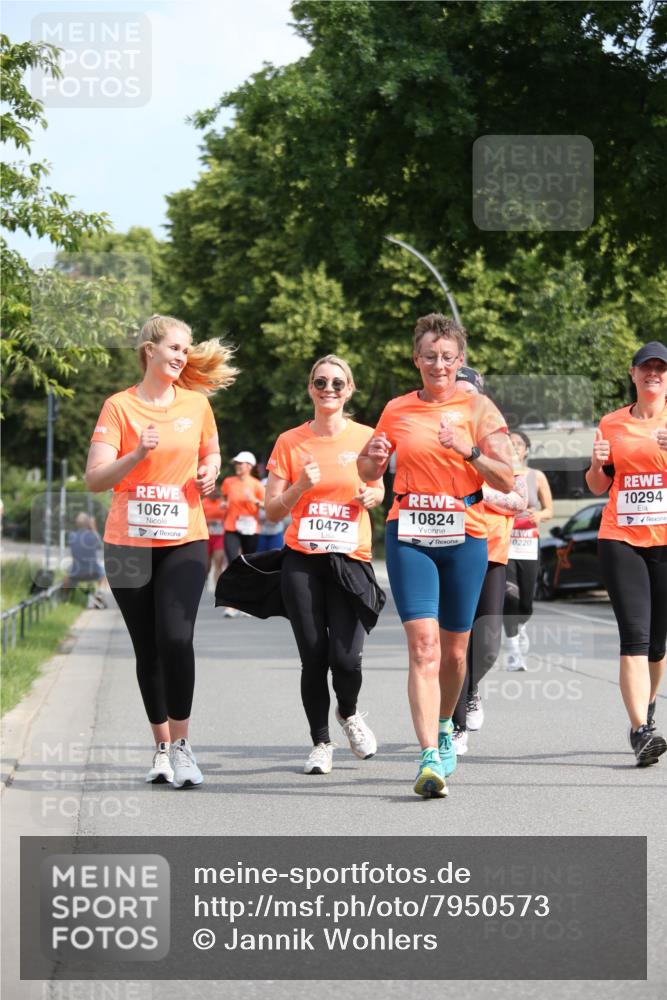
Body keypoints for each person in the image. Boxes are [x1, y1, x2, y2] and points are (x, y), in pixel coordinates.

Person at [358, 314, 513, 798]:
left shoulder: (479, 407)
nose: (438, 364)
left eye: (447, 357)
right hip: (409, 534)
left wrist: (468, 451)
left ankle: (447, 723)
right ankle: (429, 756)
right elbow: (367, 470)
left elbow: (507, 478)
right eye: (429, 356)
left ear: (459, 360)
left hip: (465, 535)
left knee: (456, 651)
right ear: (416, 359)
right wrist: (375, 458)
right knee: (423, 647)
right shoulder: (397, 409)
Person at [85, 314, 237, 788]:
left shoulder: (196, 404)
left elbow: (211, 452)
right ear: (150, 350)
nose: (181, 357)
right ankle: (161, 748)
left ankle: (184, 746)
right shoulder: (119, 407)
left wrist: (210, 470)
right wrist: (136, 455)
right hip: (127, 544)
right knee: (147, 647)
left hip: (184, 538)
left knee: (176, 638)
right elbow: (95, 479)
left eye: (186, 350)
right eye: (174, 348)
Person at [263, 355, 385, 775]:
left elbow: (378, 486)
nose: (328, 389)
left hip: (350, 559)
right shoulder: (290, 442)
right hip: (303, 560)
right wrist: (300, 486)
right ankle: (320, 743)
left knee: (347, 659)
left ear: (349, 389)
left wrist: (374, 497)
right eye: (320, 382)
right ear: (310, 388)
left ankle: (348, 713)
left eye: (337, 383)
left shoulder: (367, 436)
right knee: (313, 657)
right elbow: (273, 511)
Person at [585, 341, 667, 766]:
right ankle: (640, 731)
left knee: (657, 644)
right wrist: (597, 465)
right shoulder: (612, 423)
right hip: (621, 539)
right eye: (646, 367)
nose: (653, 373)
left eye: (660, 368)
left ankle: (647, 705)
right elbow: (598, 486)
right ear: (633, 374)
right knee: (634, 638)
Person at [450, 368, 527, 750]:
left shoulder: (498, 443)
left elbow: (519, 497)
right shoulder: (441, 438)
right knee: (456, 639)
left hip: (494, 552)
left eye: (469, 392)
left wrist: (480, 493)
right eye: (456, 391)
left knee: (489, 643)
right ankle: (455, 723)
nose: (462, 397)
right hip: (452, 547)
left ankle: (472, 687)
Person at [503, 430, 553, 671]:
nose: (513, 447)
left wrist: (539, 514)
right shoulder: (498, 475)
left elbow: (549, 510)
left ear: (526, 449)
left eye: (518, 444)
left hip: (529, 545)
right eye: (509, 444)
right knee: (509, 597)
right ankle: (513, 652)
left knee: (526, 604)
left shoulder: (537, 477)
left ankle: (520, 627)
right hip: (505, 545)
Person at [220, 451, 265, 617]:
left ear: (249, 466)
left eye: (241, 463)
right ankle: (232, 605)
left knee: (249, 564)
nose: (237, 466)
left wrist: (255, 500)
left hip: (251, 528)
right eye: (236, 463)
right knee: (233, 563)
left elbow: (268, 505)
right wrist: (224, 504)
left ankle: (249, 603)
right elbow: (225, 498)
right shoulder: (228, 482)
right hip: (232, 526)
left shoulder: (257, 485)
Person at [63, 512, 107, 607]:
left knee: (66, 575)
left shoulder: (72, 536)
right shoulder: (93, 536)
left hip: (76, 573)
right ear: (88, 523)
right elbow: (100, 546)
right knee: (104, 571)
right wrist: (93, 527)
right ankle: (99, 593)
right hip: (93, 572)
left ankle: (66, 599)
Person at [201, 488, 227, 587]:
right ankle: (204, 580)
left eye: (215, 491)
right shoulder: (203, 502)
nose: (214, 493)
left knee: (218, 561)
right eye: (212, 491)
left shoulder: (221, 503)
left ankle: (218, 587)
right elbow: (199, 519)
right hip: (207, 537)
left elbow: (228, 517)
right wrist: (209, 522)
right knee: (207, 564)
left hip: (219, 536)